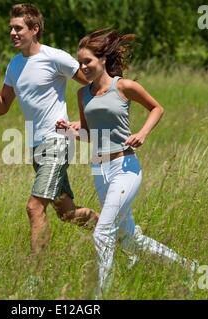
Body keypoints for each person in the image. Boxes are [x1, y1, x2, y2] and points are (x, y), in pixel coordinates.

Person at [56, 29, 197, 297]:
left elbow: (157, 108)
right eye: (80, 63)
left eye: (88, 62)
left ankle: (101, 297)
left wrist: (142, 133)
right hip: (99, 170)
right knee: (130, 239)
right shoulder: (82, 95)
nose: (83, 67)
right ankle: (187, 268)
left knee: (102, 233)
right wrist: (68, 130)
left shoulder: (124, 86)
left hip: (125, 168)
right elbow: (88, 134)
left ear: (103, 60)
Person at [0, 3, 99, 256]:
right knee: (67, 213)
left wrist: (82, 123)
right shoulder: (14, 65)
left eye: (18, 28)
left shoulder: (54, 57)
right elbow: (2, 108)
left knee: (34, 207)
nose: (13, 33)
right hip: (36, 147)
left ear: (34, 29)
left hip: (58, 141)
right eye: (11, 28)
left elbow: (94, 85)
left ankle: (37, 279)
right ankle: (117, 232)